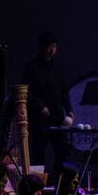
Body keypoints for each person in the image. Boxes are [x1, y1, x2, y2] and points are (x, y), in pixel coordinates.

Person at [22, 31, 74, 176]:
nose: (52, 50)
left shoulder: (58, 67)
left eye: (54, 47)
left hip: (57, 117)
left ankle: (58, 183)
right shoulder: (32, 67)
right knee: (39, 153)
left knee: (62, 152)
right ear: (42, 48)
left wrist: (69, 110)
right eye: (49, 47)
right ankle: (39, 184)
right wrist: (40, 106)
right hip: (40, 119)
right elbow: (27, 92)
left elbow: (64, 91)